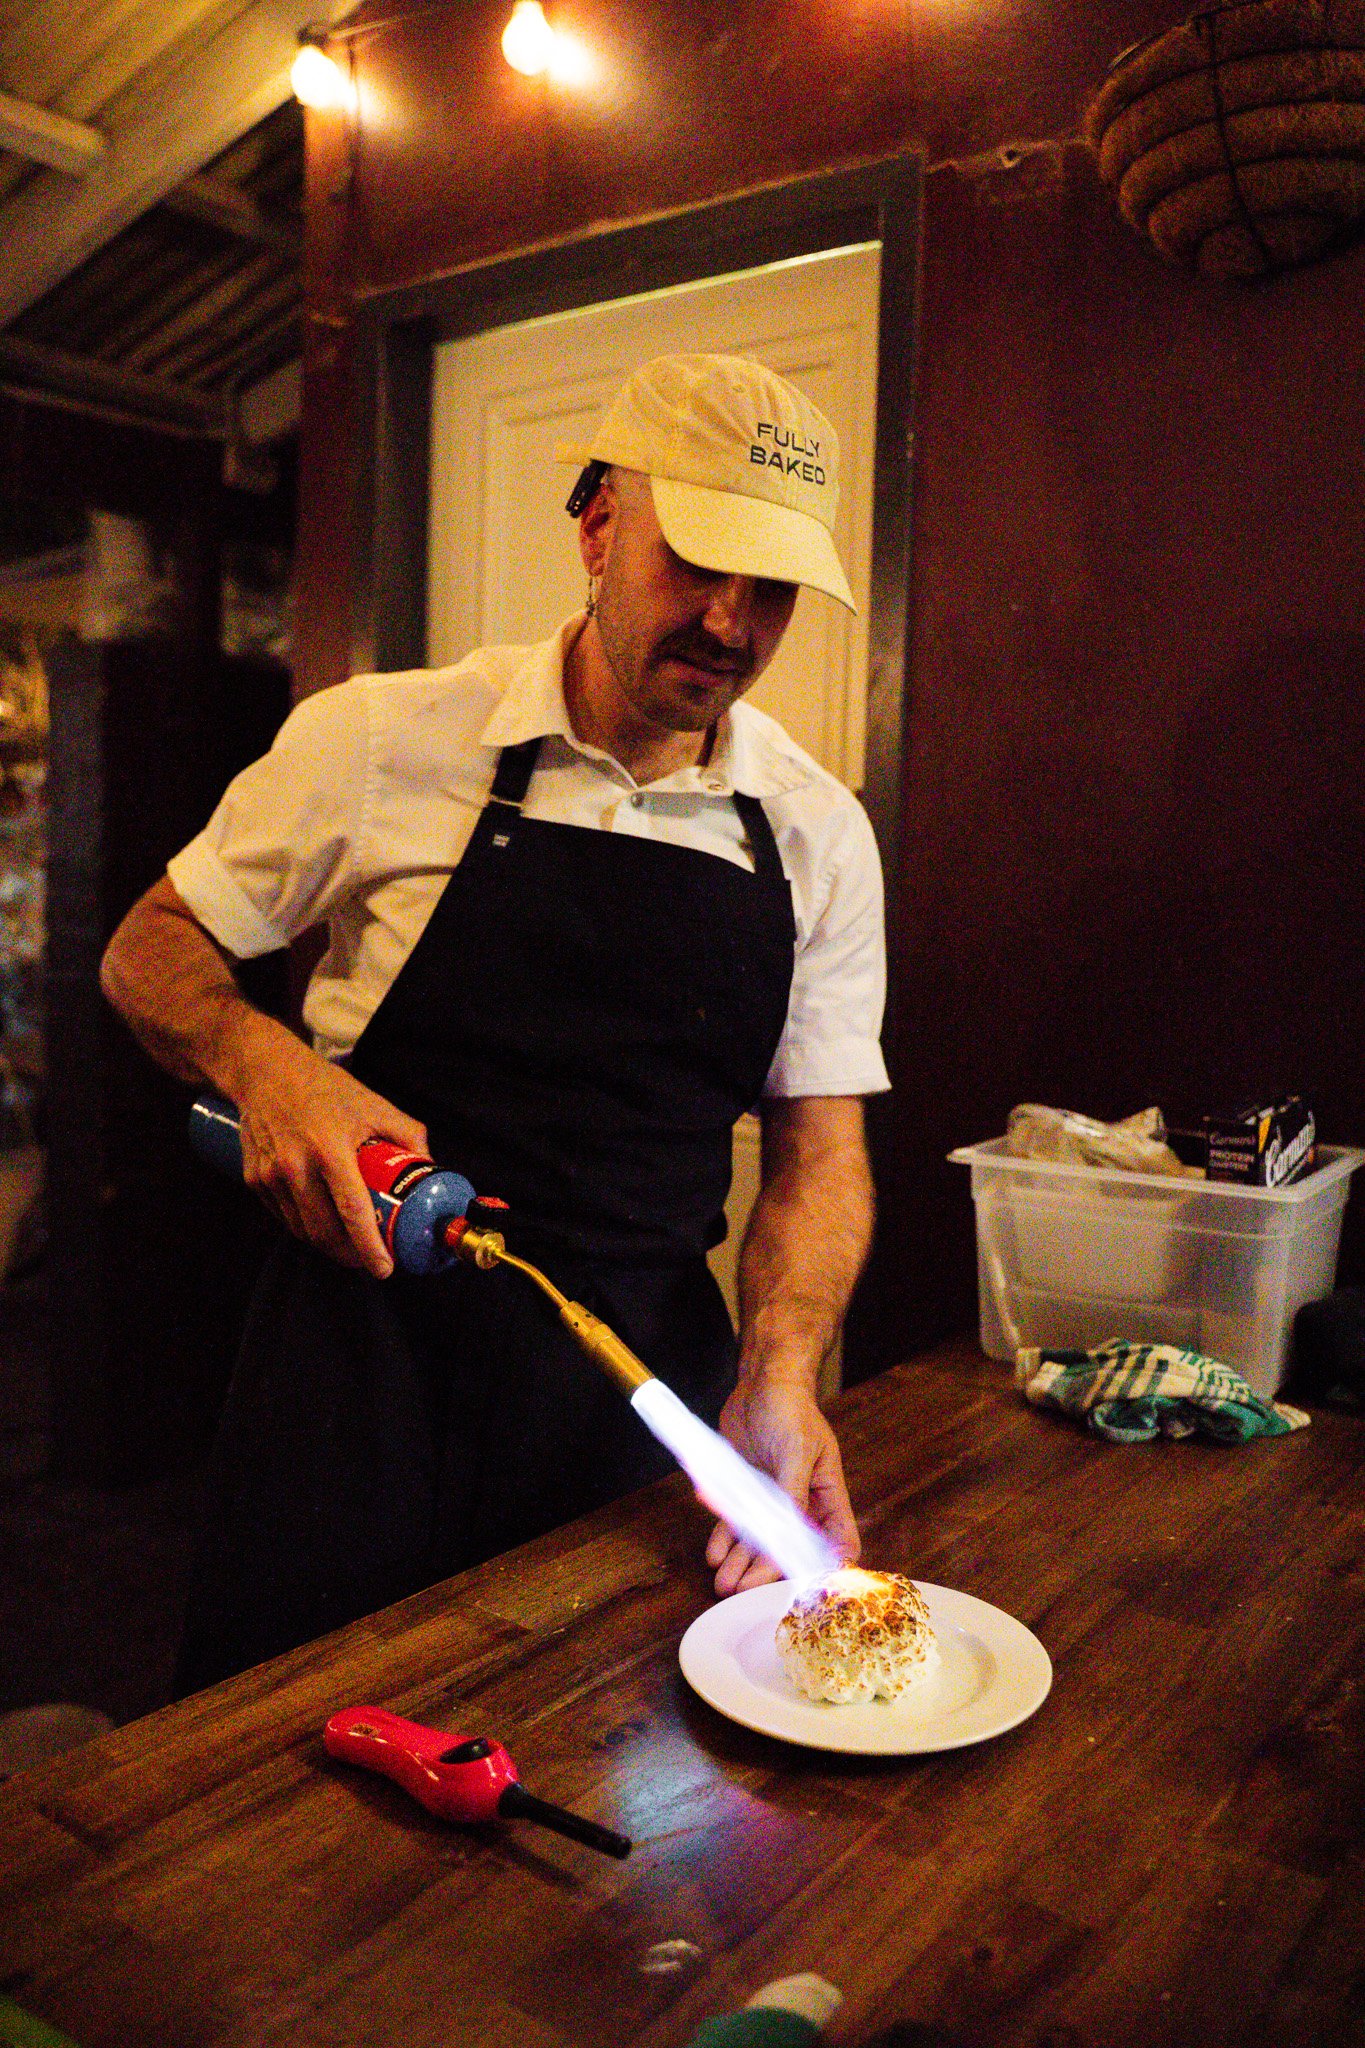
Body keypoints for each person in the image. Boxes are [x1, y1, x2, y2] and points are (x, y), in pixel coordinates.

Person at [101, 352, 890, 1691]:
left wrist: (781, 1373)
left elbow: (822, 1156)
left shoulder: (816, 833)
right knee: (277, 1756)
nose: (727, 619)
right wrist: (267, 1064)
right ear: (596, 527)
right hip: (355, 1371)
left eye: (770, 591)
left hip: (627, 1396)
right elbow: (146, 950)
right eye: (695, 563)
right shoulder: (383, 738)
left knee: (602, 1756)